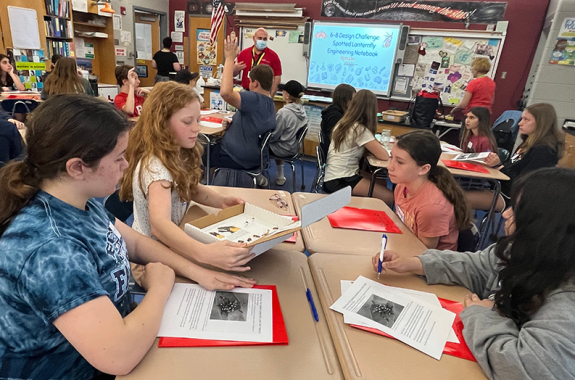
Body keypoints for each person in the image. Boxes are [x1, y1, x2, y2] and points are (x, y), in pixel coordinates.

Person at [0, 94, 255, 380]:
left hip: (122, 334)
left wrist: (198, 272)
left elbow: (133, 241)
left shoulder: (78, 199)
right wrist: (160, 287)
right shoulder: (50, 247)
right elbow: (117, 357)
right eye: (119, 158)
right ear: (77, 168)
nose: (126, 166)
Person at [372, 167, 575, 380]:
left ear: (545, 225)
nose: (505, 213)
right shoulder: (522, 249)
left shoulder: (567, 305)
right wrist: (415, 263)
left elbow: (525, 369)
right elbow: (475, 265)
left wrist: (484, 316)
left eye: (517, 209)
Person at [119, 81, 255, 279]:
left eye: (198, 120)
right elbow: (159, 225)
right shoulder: (156, 168)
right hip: (149, 261)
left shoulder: (175, 150)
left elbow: (190, 188)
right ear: (162, 123)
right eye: (187, 122)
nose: (196, 128)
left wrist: (221, 201)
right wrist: (204, 253)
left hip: (171, 243)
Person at [466, 103, 564, 211]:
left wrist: (499, 167)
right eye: (522, 119)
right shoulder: (527, 143)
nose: (520, 123)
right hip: (500, 187)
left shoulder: (544, 151)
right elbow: (512, 169)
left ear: (541, 123)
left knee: (456, 198)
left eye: (526, 120)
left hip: (510, 196)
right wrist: (498, 166)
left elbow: (524, 183)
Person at [207, 32, 276, 176]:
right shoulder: (269, 103)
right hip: (252, 155)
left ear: (255, 83)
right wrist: (233, 125)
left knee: (197, 152)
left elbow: (225, 93)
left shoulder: (254, 99)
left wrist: (229, 59)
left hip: (235, 157)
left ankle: (204, 186)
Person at [388, 130, 470, 250]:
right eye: (391, 157)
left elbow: (424, 252)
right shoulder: (402, 186)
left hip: (430, 263)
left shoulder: (431, 207)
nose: (389, 166)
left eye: (400, 162)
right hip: (405, 248)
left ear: (423, 169)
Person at [323, 89, 392, 205]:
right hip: (341, 180)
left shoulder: (344, 123)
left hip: (334, 175)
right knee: (390, 197)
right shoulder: (359, 129)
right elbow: (384, 156)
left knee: (381, 182)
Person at [269, 80, 308, 186]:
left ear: (287, 96)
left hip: (282, 149)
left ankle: (258, 175)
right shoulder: (302, 111)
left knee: (261, 143)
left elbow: (274, 136)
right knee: (281, 139)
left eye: (283, 91)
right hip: (294, 147)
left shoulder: (283, 113)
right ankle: (280, 175)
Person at [234, 28, 282, 96]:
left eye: (264, 39)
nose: (262, 41)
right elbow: (234, 74)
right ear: (254, 38)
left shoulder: (273, 56)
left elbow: (277, 79)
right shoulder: (244, 53)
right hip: (246, 91)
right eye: (260, 38)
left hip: (263, 94)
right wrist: (234, 69)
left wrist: (270, 96)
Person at [320, 84, 356, 160]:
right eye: (353, 99)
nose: (354, 103)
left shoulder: (335, 111)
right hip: (333, 155)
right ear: (346, 100)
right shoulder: (335, 116)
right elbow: (334, 139)